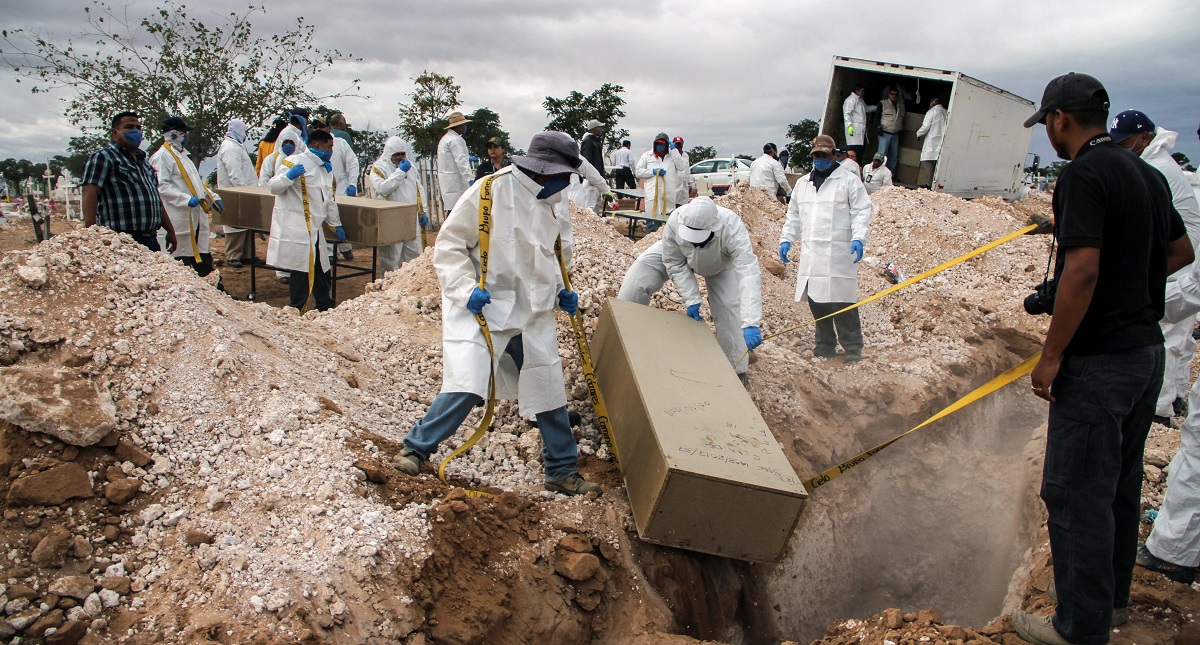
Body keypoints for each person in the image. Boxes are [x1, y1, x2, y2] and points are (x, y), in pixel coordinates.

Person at [1014, 73, 1193, 645]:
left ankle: (1079, 628)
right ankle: (1110, 603)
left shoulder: (1084, 174)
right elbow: (1179, 251)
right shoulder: (1145, 172)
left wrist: (1051, 356)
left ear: (1061, 118)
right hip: (1146, 356)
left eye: (1046, 123)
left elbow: (1084, 270)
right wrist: (1127, 286)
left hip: (1098, 364)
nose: (1047, 133)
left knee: (1072, 492)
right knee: (1118, 483)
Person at [392, 132, 602, 497]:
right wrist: (464, 288)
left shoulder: (555, 200)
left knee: (547, 384)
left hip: (532, 310)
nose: (567, 182)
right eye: (562, 175)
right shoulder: (488, 192)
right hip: (485, 307)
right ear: (542, 170)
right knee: (468, 383)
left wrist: (560, 292)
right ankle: (416, 449)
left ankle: (561, 469)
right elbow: (449, 245)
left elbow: (558, 257)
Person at [1108, 110, 1200, 427]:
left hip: (1184, 258)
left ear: (1145, 137)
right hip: (1182, 252)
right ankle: (1174, 396)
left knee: (1168, 331)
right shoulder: (1154, 162)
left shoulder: (1156, 167)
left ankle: (1159, 410)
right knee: (1181, 335)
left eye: (1127, 142)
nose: (1122, 148)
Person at [617, 197, 762, 383]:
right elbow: (674, 262)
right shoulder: (676, 221)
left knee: (728, 308)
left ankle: (736, 372)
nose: (695, 244)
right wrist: (692, 298)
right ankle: (625, 335)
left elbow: (748, 272)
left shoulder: (732, 227)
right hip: (680, 255)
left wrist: (751, 321)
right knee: (641, 271)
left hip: (720, 265)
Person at [779, 134, 872, 362]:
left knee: (842, 300)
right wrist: (787, 239)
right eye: (816, 155)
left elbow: (861, 211)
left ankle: (852, 347)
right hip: (813, 252)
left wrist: (859, 238)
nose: (820, 158)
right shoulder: (802, 184)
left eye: (824, 154)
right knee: (817, 300)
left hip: (839, 252)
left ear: (833, 155)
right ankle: (825, 345)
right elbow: (794, 216)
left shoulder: (849, 181)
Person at [266, 129, 346, 312]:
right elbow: (273, 187)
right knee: (300, 269)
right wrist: (289, 176)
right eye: (328, 146)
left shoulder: (325, 169)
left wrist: (336, 224)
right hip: (297, 227)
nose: (331, 151)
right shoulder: (294, 162)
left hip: (315, 228)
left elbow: (329, 201)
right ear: (316, 145)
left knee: (321, 268)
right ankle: (296, 307)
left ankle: (324, 304)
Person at [81, 111, 178, 253]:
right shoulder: (104, 157)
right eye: (129, 127)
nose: (135, 131)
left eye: (138, 128)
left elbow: (155, 199)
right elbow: (90, 191)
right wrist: (91, 233)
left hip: (150, 238)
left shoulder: (144, 164)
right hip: (120, 240)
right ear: (115, 133)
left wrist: (170, 230)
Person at [149, 116, 221, 277]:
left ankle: (214, 289)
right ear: (173, 134)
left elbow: (196, 184)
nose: (186, 136)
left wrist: (212, 197)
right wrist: (185, 199)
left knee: (201, 255)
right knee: (182, 259)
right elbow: (161, 185)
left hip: (195, 215)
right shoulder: (162, 156)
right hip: (178, 215)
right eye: (183, 133)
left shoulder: (184, 157)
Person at [259, 116, 309, 284]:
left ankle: (293, 271)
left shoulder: (301, 161)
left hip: (296, 208)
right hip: (278, 205)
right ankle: (281, 273)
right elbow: (265, 181)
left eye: (292, 143)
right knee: (279, 238)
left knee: (294, 242)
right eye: (285, 142)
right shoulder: (272, 159)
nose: (288, 145)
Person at [369, 136, 428, 273]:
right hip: (391, 218)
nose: (401, 157)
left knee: (414, 256)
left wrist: (423, 210)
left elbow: (418, 188)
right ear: (389, 153)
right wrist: (400, 172)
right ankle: (387, 289)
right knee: (391, 258)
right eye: (397, 154)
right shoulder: (378, 168)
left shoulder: (411, 166)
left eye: (403, 154)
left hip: (411, 217)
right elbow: (382, 188)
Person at [216, 118, 257, 268]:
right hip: (235, 192)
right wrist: (243, 190)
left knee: (246, 223)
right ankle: (233, 255)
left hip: (244, 190)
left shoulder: (236, 146)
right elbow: (234, 172)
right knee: (235, 224)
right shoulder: (229, 147)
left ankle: (247, 255)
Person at [635, 133, 687, 233]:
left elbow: (681, 167)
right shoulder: (647, 156)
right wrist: (652, 172)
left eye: (662, 145)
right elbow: (638, 172)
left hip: (668, 196)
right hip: (653, 196)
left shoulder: (673, 156)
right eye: (658, 144)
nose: (660, 147)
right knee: (652, 226)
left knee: (670, 228)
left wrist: (674, 151)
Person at [437, 111, 473, 215]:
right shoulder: (455, 140)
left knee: (452, 211)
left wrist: (467, 158)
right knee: (458, 212)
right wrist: (470, 179)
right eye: (463, 125)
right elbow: (460, 160)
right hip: (457, 183)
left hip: (449, 183)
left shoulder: (445, 139)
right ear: (459, 126)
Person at [916, 97, 948, 189]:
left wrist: (918, 134)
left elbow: (925, 127)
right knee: (937, 163)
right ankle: (936, 183)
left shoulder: (931, 112)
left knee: (927, 161)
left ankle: (930, 183)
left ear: (932, 103)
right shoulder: (946, 111)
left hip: (932, 141)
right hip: (942, 141)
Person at [579, 119, 608, 214]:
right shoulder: (588, 141)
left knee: (596, 204)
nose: (601, 129)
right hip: (591, 180)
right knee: (590, 205)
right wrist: (590, 176)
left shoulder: (595, 141)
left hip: (597, 177)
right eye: (599, 127)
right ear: (594, 128)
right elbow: (587, 160)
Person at [842, 84, 876, 159]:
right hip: (854, 129)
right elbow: (847, 114)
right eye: (862, 91)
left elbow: (866, 108)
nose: (863, 92)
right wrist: (849, 126)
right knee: (853, 151)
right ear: (857, 91)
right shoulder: (850, 100)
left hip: (861, 131)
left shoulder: (860, 100)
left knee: (860, 152)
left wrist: (876, 107)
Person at [877, 88, 905, 173]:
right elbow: (877, 116)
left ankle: (890, 174)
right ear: (889, 94)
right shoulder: (883, 103)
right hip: (885, 132)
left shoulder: (901, 105)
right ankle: (878, 173)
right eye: (892, 94)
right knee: (882, 154)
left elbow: (902, 117)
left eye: (896, 94)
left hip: (895, 133)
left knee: (894, 155)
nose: (894, 96)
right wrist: (878, 127)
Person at [671, 136, 696, 204]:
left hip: (684, 186)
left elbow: (687, 170)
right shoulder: (671, 155)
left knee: (683, 206)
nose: (679, 146)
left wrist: (691, 183)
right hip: (675, 186)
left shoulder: (686, 155)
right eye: (677, 144)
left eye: (680, 144)